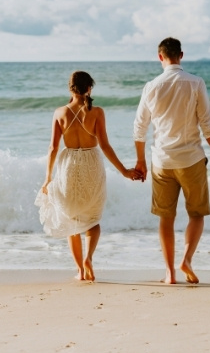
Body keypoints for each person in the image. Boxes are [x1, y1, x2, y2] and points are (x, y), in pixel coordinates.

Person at [133, 37, 210, 284]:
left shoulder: (151, 86)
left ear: (160, 57)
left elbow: (139, 128)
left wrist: (140, 161)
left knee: (166, 217)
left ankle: (169, 273)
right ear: (181, 55)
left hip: (162, 161)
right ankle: (186, 259)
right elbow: (207, 122)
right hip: (191, 159)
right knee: (196, 214)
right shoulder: (195, 83)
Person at [35, 70, 139, 281]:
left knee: (70, 219)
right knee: (92, 218)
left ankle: (80, 271)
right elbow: (105, 145)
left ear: (70, 88)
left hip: (69, 166)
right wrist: (124, 171)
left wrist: (48, 177)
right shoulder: (97, 112)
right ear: (89, 87)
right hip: (92, 164)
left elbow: (53, 148)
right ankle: (88, 258)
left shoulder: (59, 113)